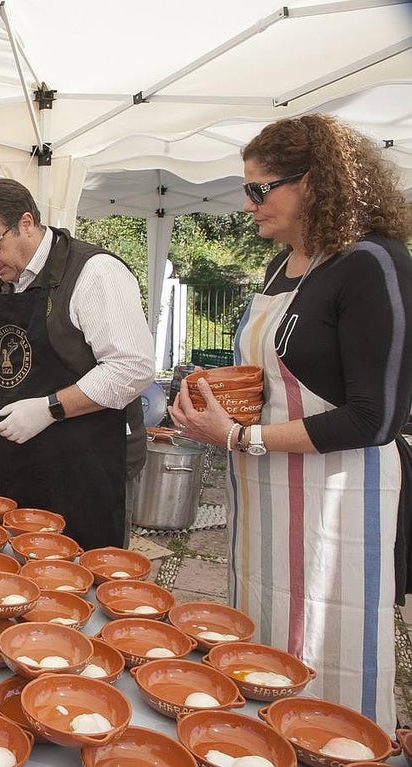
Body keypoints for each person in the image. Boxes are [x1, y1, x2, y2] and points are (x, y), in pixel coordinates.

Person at [169, 114, 412, 731]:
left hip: (339, 496)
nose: (247, 204)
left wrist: (240, 436)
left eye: (259, 189)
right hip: (265, 495)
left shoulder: (371, 262)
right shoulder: (284, 265)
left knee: (328, 642)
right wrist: (213, 401)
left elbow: (376, 417)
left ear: (315, 182)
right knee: (263, 628)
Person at [0, 179, 153, 550]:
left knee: (79, 566)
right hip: (22, 462)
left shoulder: (94, 273)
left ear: (26, 223)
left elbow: (131, 368)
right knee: (21, 563)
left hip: (85, 464)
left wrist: (51, 408)